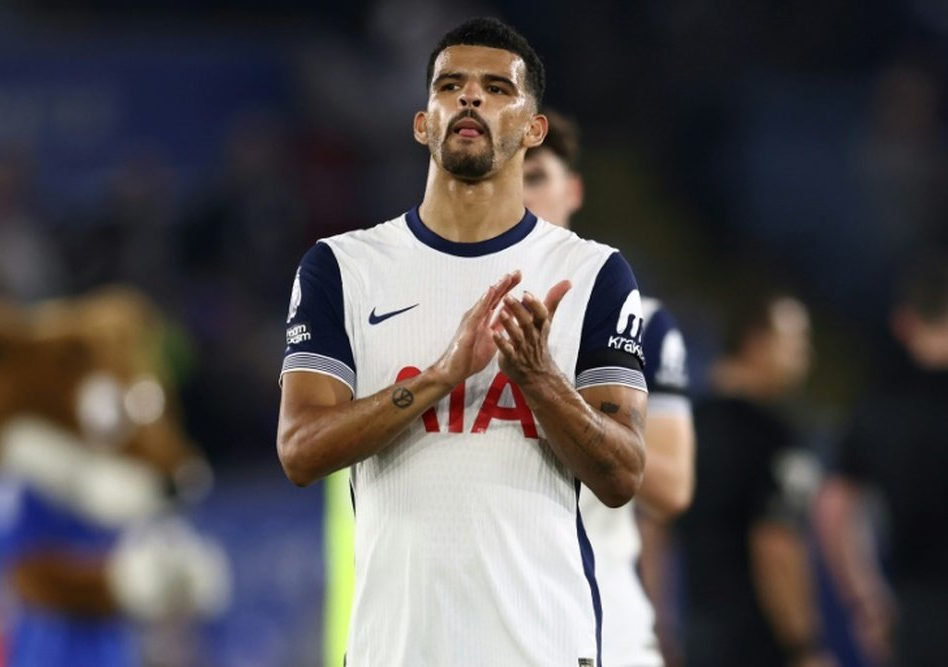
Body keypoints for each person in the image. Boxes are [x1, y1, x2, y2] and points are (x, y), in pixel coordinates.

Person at [277, 17, 649, 666]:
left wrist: (539, 378)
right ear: (424, 122)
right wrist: (439, 377)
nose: (470, 97)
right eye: (450, 85)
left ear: (534, 130)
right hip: (396, 650)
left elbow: (622, 474)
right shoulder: (342, 268)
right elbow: (300, 451)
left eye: (496, 88)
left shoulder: (593, 274)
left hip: (543, 648)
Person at [523, 109, 695, 667]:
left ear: (573, 190)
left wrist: (550, 392)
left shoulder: (638, 320)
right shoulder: (454, 316)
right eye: (506, 178)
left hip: (603, 622)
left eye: (536, 177)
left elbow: (670, 487)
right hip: (487, 617)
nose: (520, 195)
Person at [676, 289, 835, 667]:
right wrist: (803, 645)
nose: (806, 356)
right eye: (796, 342)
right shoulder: (780, 436)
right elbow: (777, 543)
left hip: (699, 637)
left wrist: (661, 629)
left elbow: (654, 530)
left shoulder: (684, 428)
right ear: (756, 343)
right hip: (760, 643)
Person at [816, 255, 948, 667]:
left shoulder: (877, 406)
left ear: (904, 322)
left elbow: (833, 509)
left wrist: (867, 604)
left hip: (919, 615)